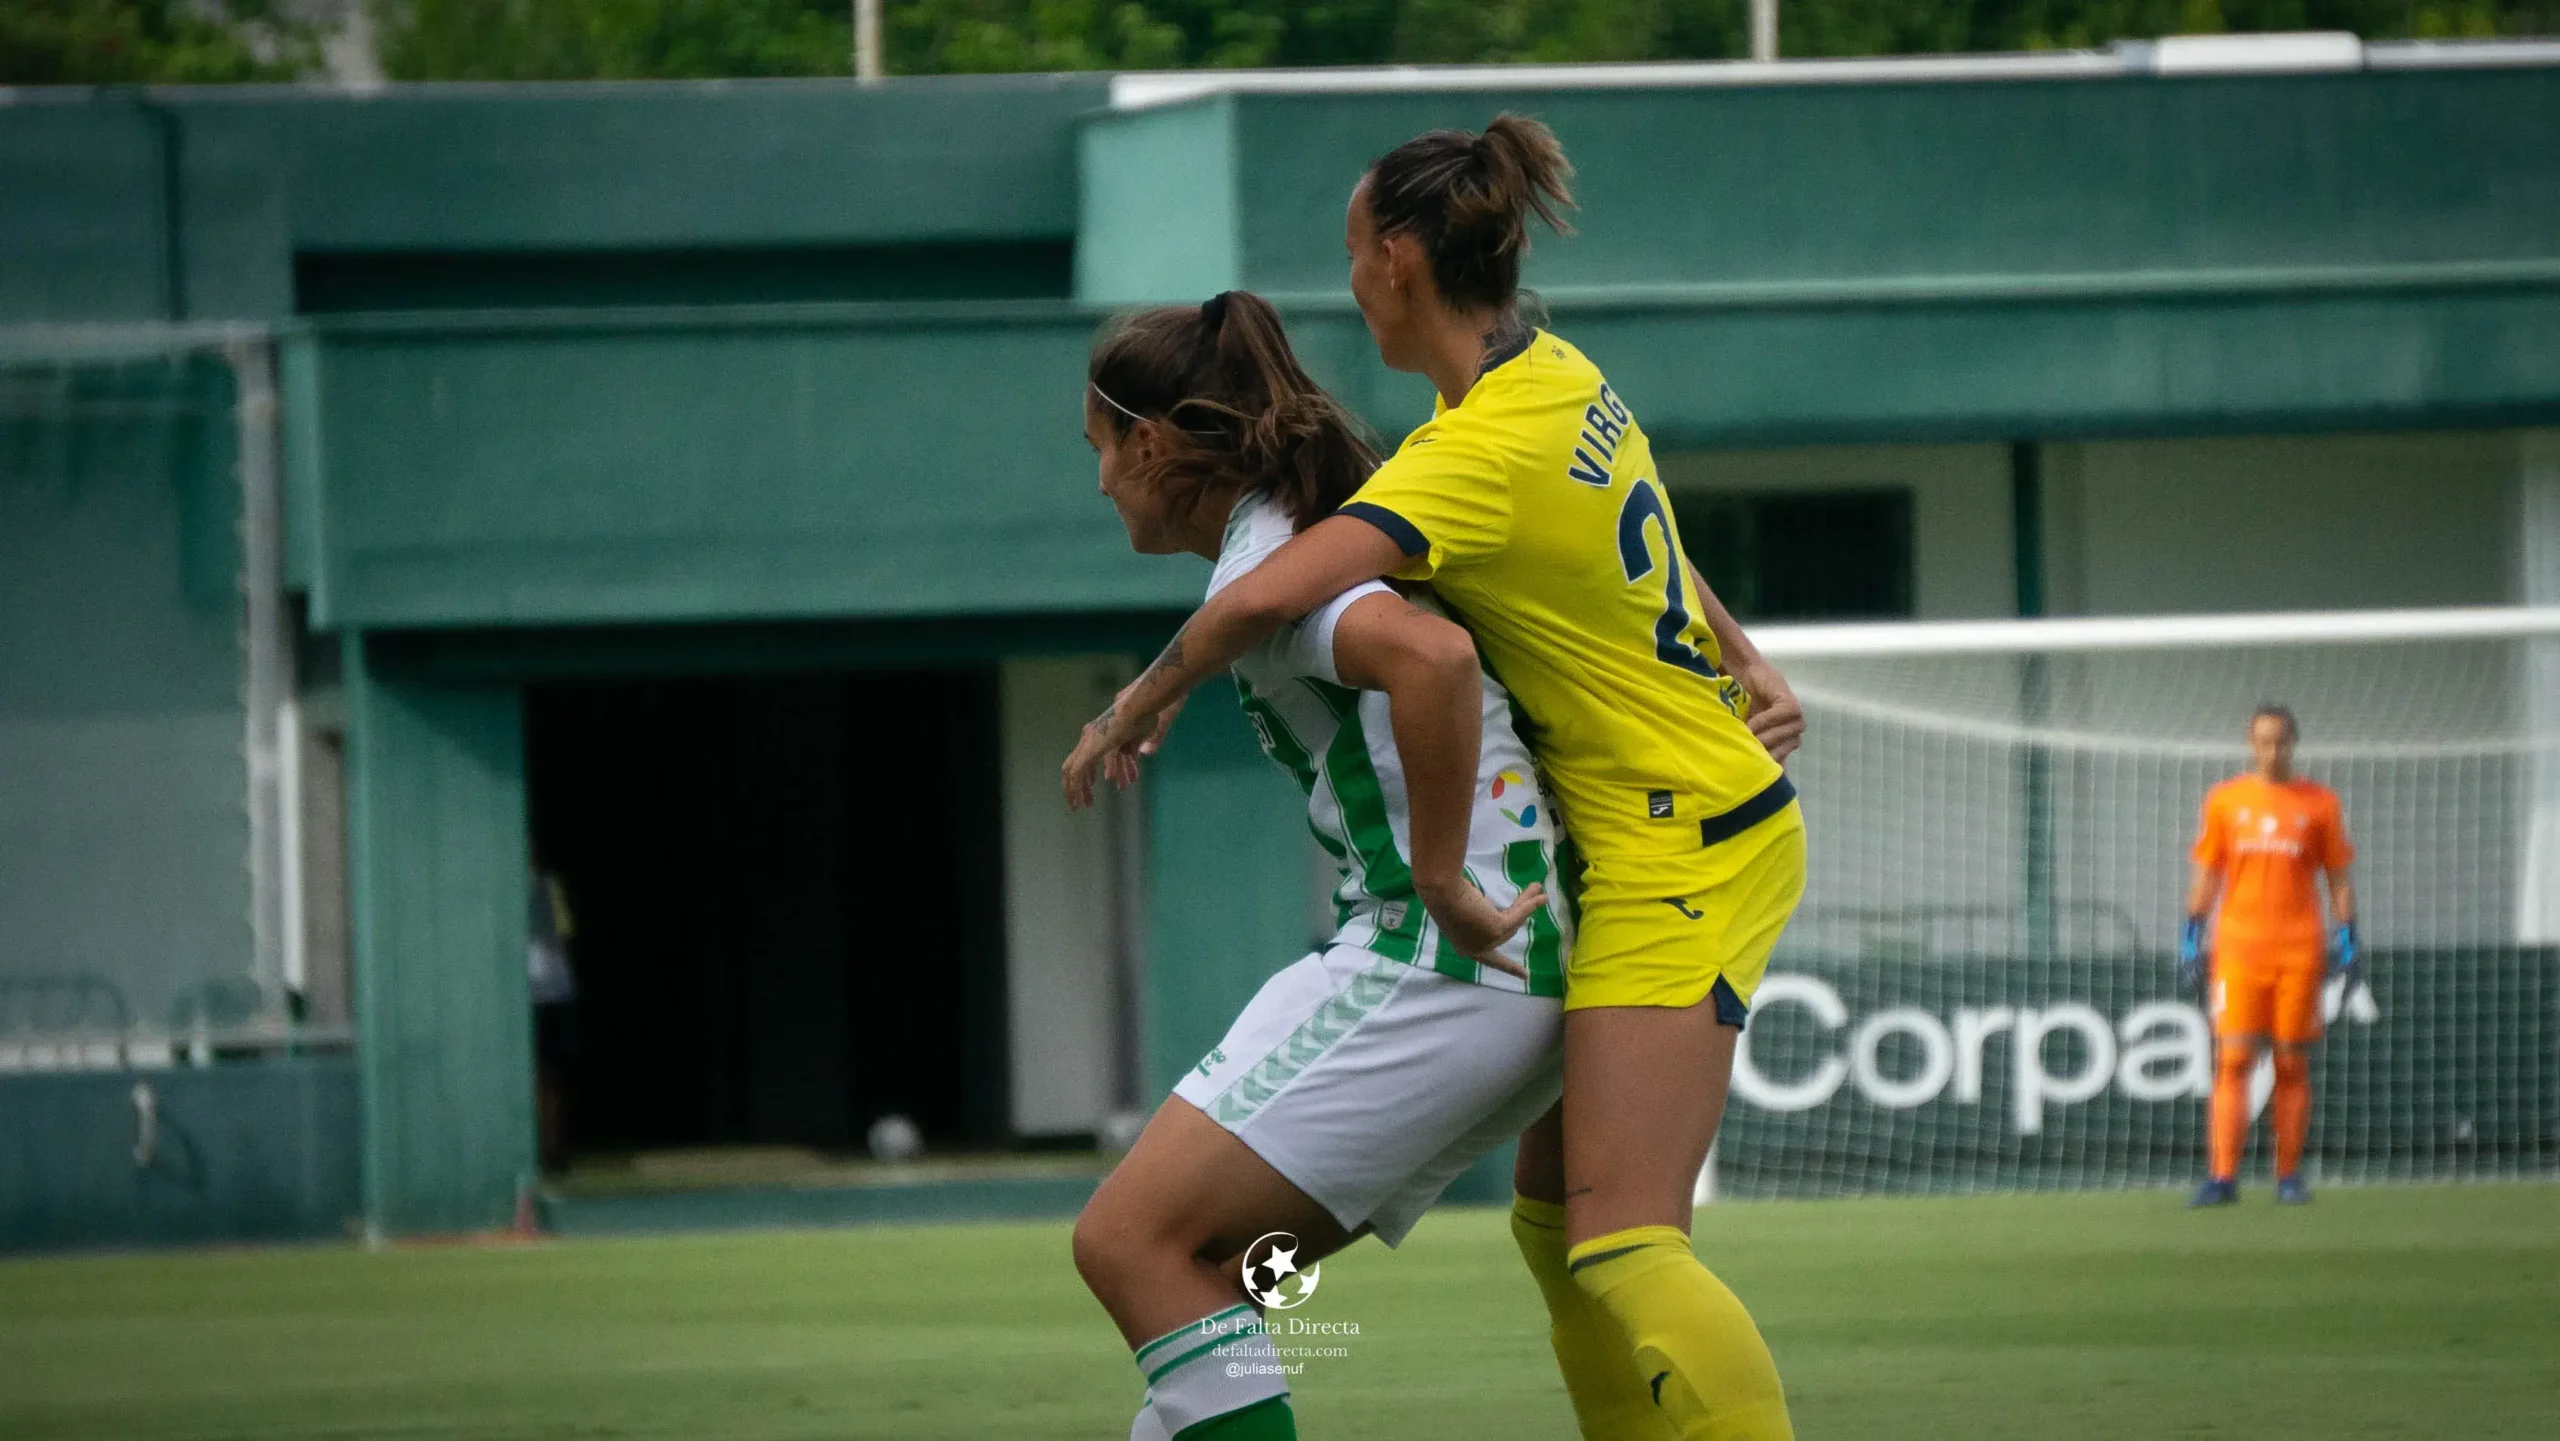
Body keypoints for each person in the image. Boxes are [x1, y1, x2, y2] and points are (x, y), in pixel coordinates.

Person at [1064, 117, 1807, 1441]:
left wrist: (1139, 700)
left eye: (1354, 248)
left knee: (1619, 1242)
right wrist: (1738, 649)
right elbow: (1605, 518)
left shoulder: (1401, 493)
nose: (1348, 278)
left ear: (1399, 260)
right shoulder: (1530, 390)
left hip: (1565, 894)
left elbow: (1399, 644)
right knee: (1475, 1246)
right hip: (1592, 883)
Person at [1068, 291, 1572, 1441]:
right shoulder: (1325, 524)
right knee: (1208, 1281)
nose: (1098, 482)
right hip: (1501, 971)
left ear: (1151, 445)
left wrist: (1439, 882)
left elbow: (1433, 660)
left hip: (1439, 961)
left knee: (1129, 1241)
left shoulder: (1280, 562)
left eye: (1097, 447)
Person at [2180, 704, 2358, 1207]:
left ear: (2293, 743)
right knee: (2233, 1059)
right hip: (2238, 950)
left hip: (2298, 950)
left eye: (2281, 741)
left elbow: (2338, 877)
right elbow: (2208, 873)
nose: (2272, 751)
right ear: (2251, 743)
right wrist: (2191, 935)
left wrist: (2349, 940)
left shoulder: (2320, 803)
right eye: (2264, 742)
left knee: (2291, 1064)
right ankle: (2223, 1177)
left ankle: (2288, 1176)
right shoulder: (2225, 801)